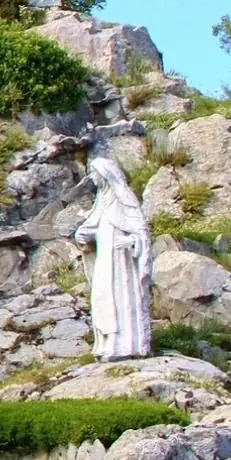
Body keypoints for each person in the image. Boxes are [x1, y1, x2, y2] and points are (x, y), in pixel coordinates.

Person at [74, 150, 153, 361]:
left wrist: (132, 241)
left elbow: (141, 230)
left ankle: (125, 346)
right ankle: (106, 342)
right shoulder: (101, 201)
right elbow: (95, 225)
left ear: (104, 174)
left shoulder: (123, 198)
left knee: (121, 299)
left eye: (93, 173)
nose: (91, 177)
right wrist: (82, 234)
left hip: (121, 262)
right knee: (102, 297)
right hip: (104, 261)